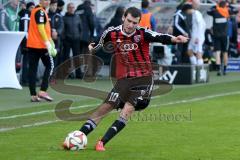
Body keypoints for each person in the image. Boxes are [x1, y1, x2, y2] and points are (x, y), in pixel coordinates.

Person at [64, 7, 188, 151]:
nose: (131, 25)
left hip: (143, 79)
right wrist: (93, 47)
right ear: (123, 18)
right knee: (104, 108)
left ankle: (102, 142)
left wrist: (175, 39)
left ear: (138, 22)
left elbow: (160, 37)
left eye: (134, 22)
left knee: (128, 109)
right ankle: (77, 137)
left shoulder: (142, 33)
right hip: (124, 80)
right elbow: (99, 42)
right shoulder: (112, 32)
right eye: (129, 21)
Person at [26, 0, 57, 102]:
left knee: (32, 69)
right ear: (40, 0)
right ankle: (43, 90)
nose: (47, 2)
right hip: (40, 45)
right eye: (45, 0)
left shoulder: (36, 10)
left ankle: (33, 95)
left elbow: (43, 29)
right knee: (50, 65)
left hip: (32, 44)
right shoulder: (40, 11)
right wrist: (47, 42)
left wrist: (50, 40)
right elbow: (41, 28)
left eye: (48, 0)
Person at [207, 0, 236, 75]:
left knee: (217, 52)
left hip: (216, 35)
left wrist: (215, 6)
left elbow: (208, 11)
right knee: (225, 52)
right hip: (225, 36)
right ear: (225, 6)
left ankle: (219, 69)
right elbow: (234, 11)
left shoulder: (215, 12)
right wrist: (228, 6)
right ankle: (225, 70)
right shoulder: (227, 12)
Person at [62, 2, 83, 79]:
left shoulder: (77, 17)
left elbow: (81, 29)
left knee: (77, 57)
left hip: (76, 40)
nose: (71, 9)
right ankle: (67, 74)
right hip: (67, 40)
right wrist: (64, 38)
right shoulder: (64, 18)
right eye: (70, 7)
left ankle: (78, 74)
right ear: (67, 9)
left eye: (73, 7)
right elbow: (62, 29)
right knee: (66, 58)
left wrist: (79, 37)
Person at [18, 1, 35, 85]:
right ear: (28, 8)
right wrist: (26, 42)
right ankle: (25, 80)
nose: (33, 9)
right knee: (26, 61)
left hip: (30, 41)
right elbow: (25, 30)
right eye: (31, 7)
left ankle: (27, 78)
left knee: (29, 61)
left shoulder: (30, 15)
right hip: (27, 42)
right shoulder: (26, 15)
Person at [187, 0, 206, 65]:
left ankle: (200, 69)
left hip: (197, 36)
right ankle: (195, 67)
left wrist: (198, 37)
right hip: (194, 36)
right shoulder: (195, 13)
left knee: (198, 52)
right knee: (189, 51)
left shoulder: (197, 13)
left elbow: (201, 25)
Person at [48, 0, 63, 67]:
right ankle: (48, 74)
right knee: (48, 58)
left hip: (57, 40)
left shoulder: (59, 16)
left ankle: (53, 74)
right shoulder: (46, 15)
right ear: (49, 5)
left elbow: (61, 26)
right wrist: (51, 32)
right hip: (48, 39)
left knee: (56, 57)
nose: (54, 7)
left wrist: (57, 33)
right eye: (53, 5)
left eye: (55, 6)